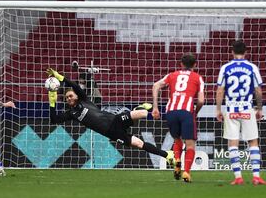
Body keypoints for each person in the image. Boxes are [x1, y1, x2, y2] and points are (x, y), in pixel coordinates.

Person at [46, 68, 174, 164]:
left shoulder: (84, 100)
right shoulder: (71, 114)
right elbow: (54, 120)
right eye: (67, 97)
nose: (69, 98)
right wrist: (52, 102)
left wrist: (58, 76)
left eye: (71, 96)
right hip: (111, 133)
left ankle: (137, 109)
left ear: (76, 96)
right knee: (140, 144)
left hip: (114, 120)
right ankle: (167, 155)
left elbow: (74, 85)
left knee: (144, 113)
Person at [216, 40, 266, 185]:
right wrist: (260, 108)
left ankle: (238, 177)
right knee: (252, 141)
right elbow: (258, 90)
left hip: (231, 110)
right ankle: (256, 176)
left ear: (232, 51)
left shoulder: (225, 68)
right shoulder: (252, 67)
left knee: (233, 143)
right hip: (247, 108)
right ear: (246, 52)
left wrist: (218, 109)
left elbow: (220, 90)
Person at [152, 54, 205, 183]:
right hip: (186, 111)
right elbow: (201, 101)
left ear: (181, 64)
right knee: (190, 144)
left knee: (177, 139)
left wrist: (155, 107)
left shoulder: (172, 75)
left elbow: (155, 86)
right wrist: (195, 112)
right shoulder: (197, 78)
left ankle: (177, 161)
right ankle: (186, 172)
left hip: (171, 111)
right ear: (195, 65)